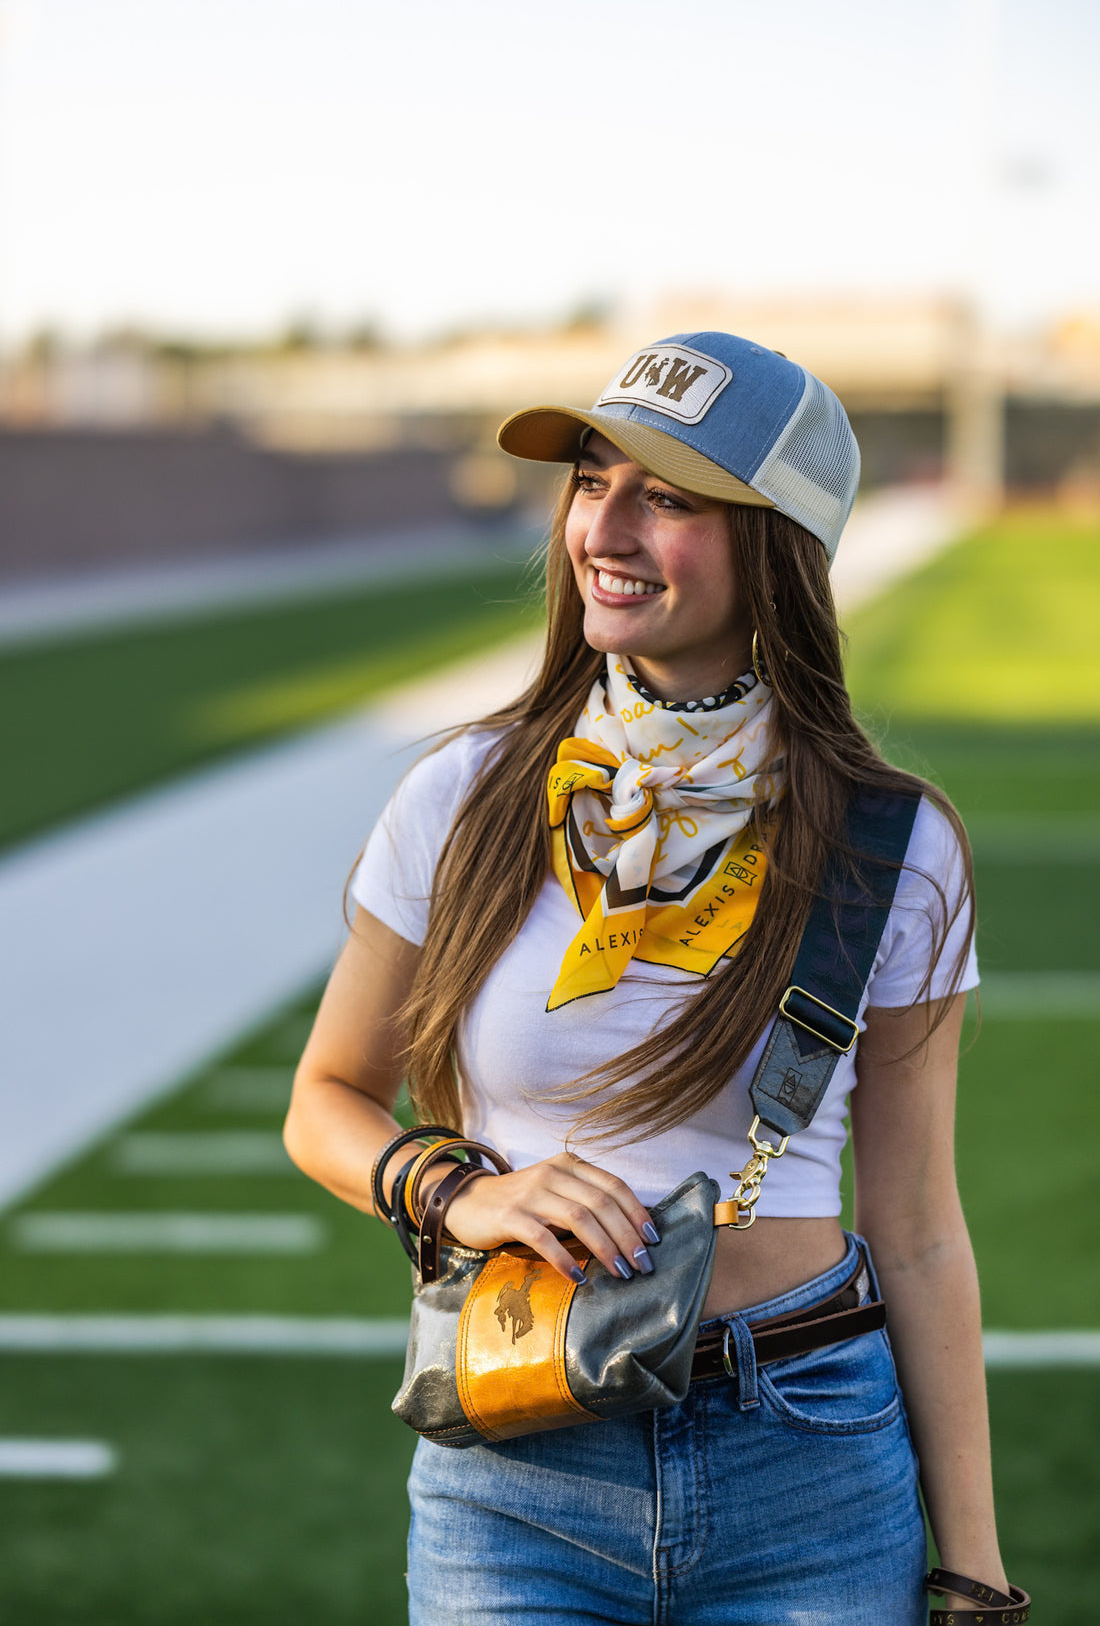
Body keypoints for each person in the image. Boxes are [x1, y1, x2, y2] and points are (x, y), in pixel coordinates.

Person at [284, 332, 1017, 1625]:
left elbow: (917, 1225)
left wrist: (974, 1565)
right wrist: (461, 1192)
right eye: (589, 478)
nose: (604, 528)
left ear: (779, 540)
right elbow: (329, 1097)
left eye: (668, 496)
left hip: (810, 1455)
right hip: (515, 1458)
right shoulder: (461, 794)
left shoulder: (893, 842)